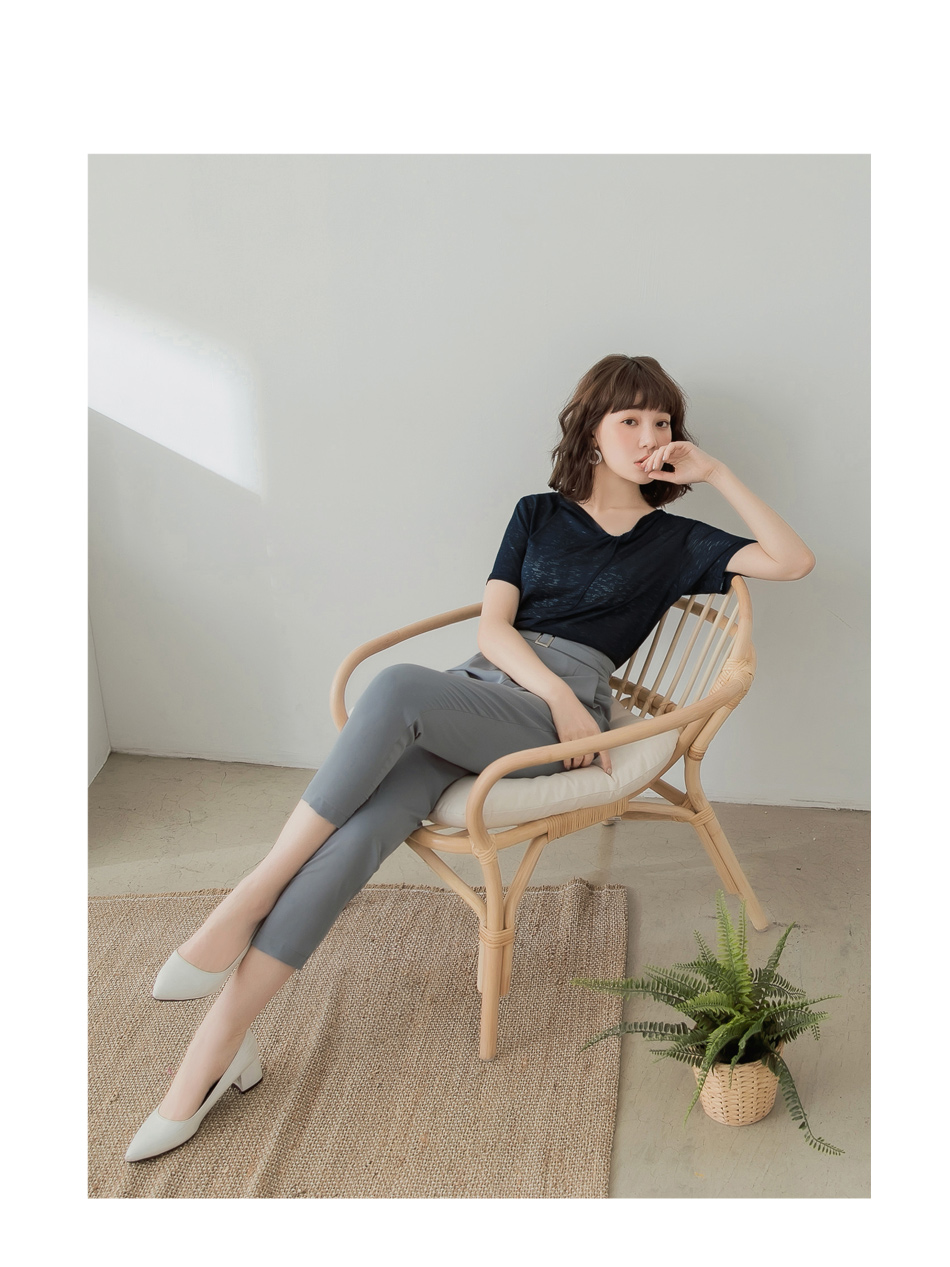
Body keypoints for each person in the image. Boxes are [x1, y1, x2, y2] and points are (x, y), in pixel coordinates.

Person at [124, 353, 815, 1161]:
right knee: (365, 829)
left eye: (661, 421)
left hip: (559, 718)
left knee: (396, 686)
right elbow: (493, 627)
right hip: (488, 691)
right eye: (629, 418)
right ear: (591, 431)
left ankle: (251, 895)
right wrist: (545, 690)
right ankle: (218, 1047)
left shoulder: (677, 541)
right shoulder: (537, 513)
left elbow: (792, 560)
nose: (649, 434)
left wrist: (717, 473)